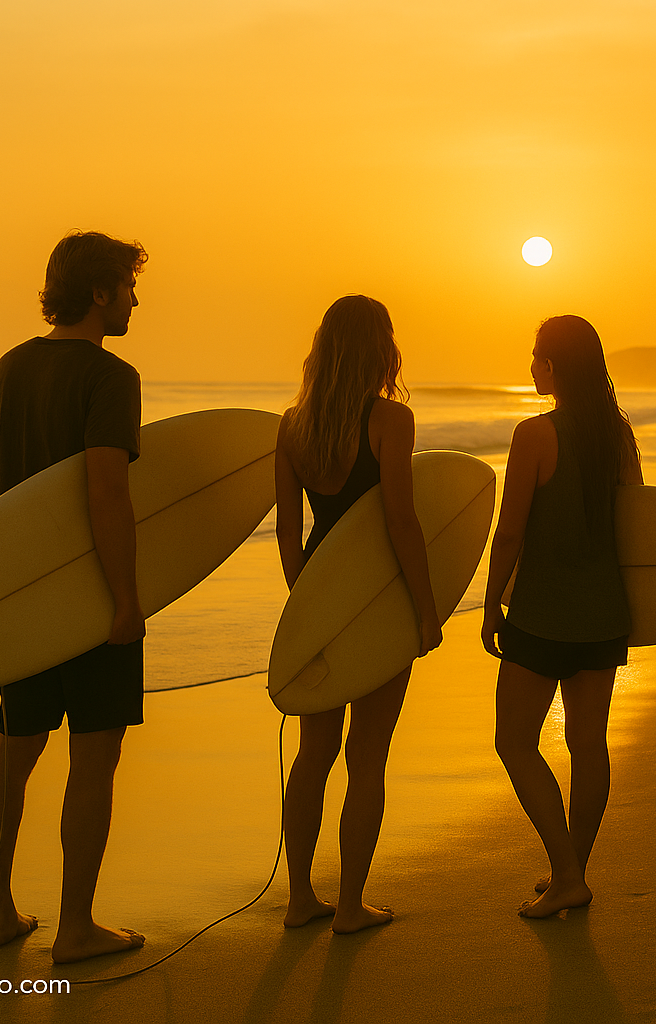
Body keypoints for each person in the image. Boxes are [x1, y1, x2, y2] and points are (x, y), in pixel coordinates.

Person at [0, 230, 149, 963]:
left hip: (26, 602)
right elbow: (107, 490)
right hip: (89, 601)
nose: (137, 299)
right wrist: (126, 599)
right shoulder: (109, 377)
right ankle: (76, 926)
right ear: (101, 292)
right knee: (93, 756)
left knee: (15, 748)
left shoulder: (4, 372)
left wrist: (10, 585)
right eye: (129, 287)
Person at [274, 294, 442, 934]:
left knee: (314, 754)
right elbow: (401, 519)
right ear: (381, 350)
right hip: (378, 596)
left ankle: (298, 899)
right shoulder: (390, 422)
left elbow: (290, 531)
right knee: (367, 758)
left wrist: (306, 599)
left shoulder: (293, 426)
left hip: (321, 589)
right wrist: (427, 613)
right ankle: (348, 906)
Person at [481, 315, 642, 918]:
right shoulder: (617, 434)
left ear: (552, 366)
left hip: (543, 616)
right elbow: (638, 521)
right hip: (604, 615)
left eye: (535, 356)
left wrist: (493, 601)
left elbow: (512, 530)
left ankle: (568, 874)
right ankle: (570, 872)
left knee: (515, 742)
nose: (530, 365)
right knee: (588, 744)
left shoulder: (534, 434)